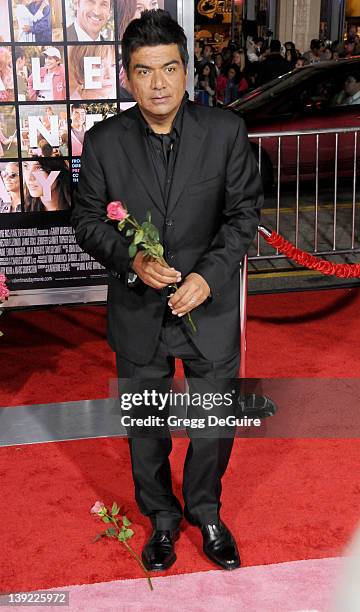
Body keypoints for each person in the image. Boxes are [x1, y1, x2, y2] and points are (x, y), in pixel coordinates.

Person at [72, 9, 263, 573]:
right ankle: (160, 518)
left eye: (170, 68)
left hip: (211, 307)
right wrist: (131, 258)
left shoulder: (226, 131)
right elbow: (87, 221)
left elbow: (243, 214)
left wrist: (208, 275)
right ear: (126, 77)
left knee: (212, 427)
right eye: (145, 71)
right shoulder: (103, 142)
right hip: (139, 312)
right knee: (146, 429)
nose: (159, 83)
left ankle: (206, 511)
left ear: (187, 70)